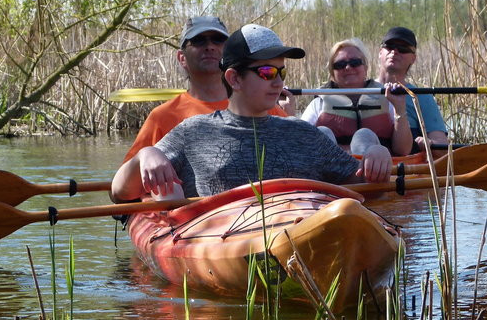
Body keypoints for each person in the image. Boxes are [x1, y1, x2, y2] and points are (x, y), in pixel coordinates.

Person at [111, 24, 393, 203]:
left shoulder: (303, 134)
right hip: (223, 248)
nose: (279, 81)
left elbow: (370, 189)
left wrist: (377, 158)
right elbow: (119, 193)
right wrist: (145, 156)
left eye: (281, 71)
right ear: (234, 78)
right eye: (267, 71)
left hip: (299, 236)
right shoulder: (192, 133)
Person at [121, 16, 294, 162]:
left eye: (218, 40)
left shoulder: (267, 109)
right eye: (198, 40)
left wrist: (292, 119)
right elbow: (125, 191)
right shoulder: (162, 117)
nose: (210, 46)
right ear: (182, 58)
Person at [300, 38, 414, 156]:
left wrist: (399, 108)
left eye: (355, 63)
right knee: (323, 132)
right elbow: (299, 143)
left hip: (376, 168)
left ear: (365, 68)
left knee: (364, 136)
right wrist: (289, 110)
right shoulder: (318, 103)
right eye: (340, 65)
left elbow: (403, 150)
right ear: (332, 73)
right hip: (331, 168)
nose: (348, 68)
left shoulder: (386, 99)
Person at [375, 27, 449, 154]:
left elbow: (442, 146)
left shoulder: (422, 97)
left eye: (403, 49)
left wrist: (429, 143)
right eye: (390, 46)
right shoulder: (361, 90)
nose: (395, 51)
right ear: (380, 52)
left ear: (413, 59)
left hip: (408, 166)